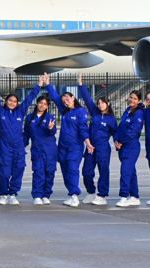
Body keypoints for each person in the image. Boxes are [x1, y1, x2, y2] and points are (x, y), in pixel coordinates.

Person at [0, 74, 42, 205]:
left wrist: (39, 85)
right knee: (4, 173)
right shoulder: (0, 112)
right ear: (6, 101)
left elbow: (30, 98)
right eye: (10, 100)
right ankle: (3, 194)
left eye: (14, 101)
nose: (12, 103)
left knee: (18, 171)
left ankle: (13, 194)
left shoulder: (20, 112)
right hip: (5, 148)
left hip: (18, 148)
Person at [45, 73, 92, 207]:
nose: (66, 102)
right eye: (64, 101)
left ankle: (75, 195)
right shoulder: (64, 111)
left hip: (75, 147)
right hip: (63, 147)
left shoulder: (81, 112)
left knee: (72, 169)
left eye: (67, 99)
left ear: (73, 97)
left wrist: (87, 143)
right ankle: (71, 194)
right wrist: (48, 83)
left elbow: (83, 129)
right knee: (65, 171)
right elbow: (54, 96)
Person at [77, 74, 116, 206]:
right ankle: (91, 192)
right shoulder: (95, 113)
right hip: (90, 147)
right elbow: (87, 99)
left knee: (103, 171)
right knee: (86, 172)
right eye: (98, 103)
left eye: (102, 103)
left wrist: (118, 142)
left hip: (103, 148)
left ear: (108, 104)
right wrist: (81, 84)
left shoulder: (112, 119)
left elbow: (115, 133)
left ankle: (102, 195)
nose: (100, 105)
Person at [24, 94, 58, 205]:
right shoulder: (30, 117)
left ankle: (46, 195)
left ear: (47, 106)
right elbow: (26, 135)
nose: (42, 106)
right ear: (37, 103)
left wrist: (50, 129)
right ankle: (37, 195)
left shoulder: (50, 118)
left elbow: (52, 132)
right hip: (37, 150)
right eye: (40, 103)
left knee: (49, 173)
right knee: (38, 172)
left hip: (50, 150)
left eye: (44, 104)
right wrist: (21, 146)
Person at [115, 90, 144, 207]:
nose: (132, 100)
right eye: (131, 97)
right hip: (123, 146)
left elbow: (132, 131)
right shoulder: (127, 111)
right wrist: (116, 140)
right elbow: (120, 127)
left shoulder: (139, 113)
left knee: (125, 171)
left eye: (135, 99)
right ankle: (135, 196)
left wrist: (121, 141)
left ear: (139, 101)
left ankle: (124, 196)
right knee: (131, 172)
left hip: (131, 146)